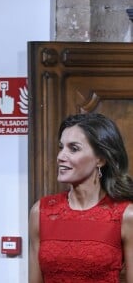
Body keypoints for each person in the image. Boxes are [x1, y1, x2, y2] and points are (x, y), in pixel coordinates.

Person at [29, 113, 133, 283]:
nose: (61, 156)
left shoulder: (126, 215)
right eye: (61, 147)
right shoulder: (41, 211)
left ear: (100, 159)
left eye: (73, 148)